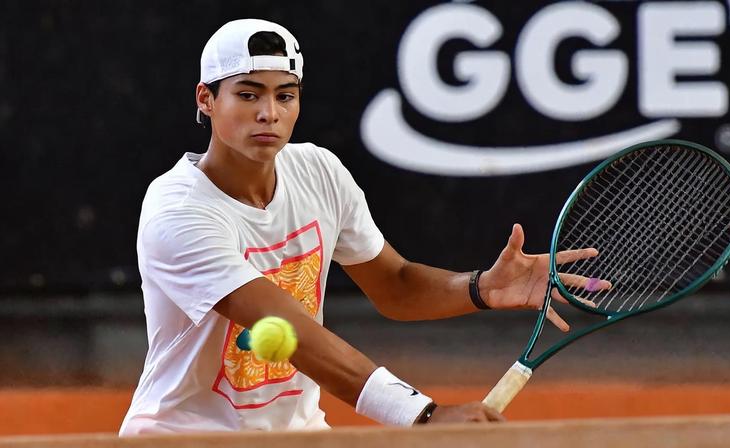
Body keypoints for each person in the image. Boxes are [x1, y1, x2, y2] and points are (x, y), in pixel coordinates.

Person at [119, 18, 606, 435]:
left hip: (299, 437)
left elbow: (394, 284)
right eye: (248, 95)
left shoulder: (318, 171)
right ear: (206, 99)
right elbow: (288, 328)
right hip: (181, 438)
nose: (269, 113)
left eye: (284, 96)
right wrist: (424, 415)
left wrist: (481, 287)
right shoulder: (178, 211)